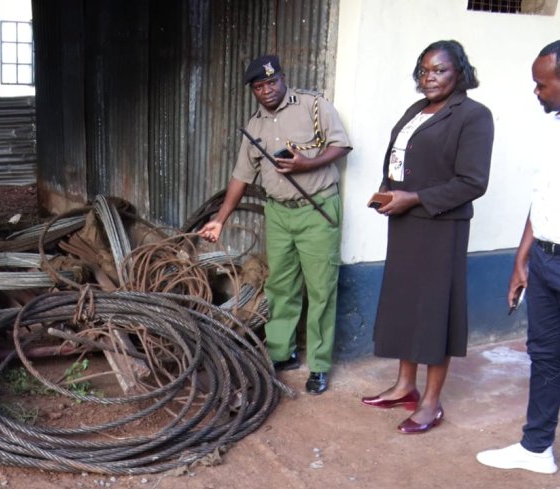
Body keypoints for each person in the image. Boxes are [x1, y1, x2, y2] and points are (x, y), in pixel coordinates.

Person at [476, 37, 560, 489]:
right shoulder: (559, 124)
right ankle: (535, 448)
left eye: (542, 85)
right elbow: (542, 195)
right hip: (544, 258)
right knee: (544, 357)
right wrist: (521, 258)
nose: (537, 92)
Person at [360, 40, 493, 433]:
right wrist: (388, 191)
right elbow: (401, 159)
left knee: (435, 311)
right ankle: (405, 386)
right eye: (424, 70)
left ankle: (431, 403)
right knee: (405, 304)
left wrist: (413, 197)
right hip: (405, 222)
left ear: (460, 73)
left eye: (439, 70)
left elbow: (473, 181)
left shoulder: (473, 115)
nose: (429, 78)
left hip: (441, 226)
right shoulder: (416, 110)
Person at [198, 55, 352, 395]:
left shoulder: (314, 106)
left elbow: (342, 145)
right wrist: (220, 220)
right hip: (279, 213)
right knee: (281, 285)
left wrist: (307, 164)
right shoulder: (254, 127)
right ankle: (283, 352)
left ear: (283, 78)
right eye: (259, 86)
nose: (267, 90)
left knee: (321, 288)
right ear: (253, 91)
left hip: (316, 209)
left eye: (271, 82)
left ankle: (321, 365)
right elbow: (240, 177)